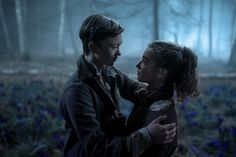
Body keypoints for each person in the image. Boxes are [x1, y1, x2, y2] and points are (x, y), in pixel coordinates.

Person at [59, 15, 177, 157]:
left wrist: (164, 84)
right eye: (114, 46)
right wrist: (147, 136)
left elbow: (135, 89)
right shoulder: (77, 92)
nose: (119, 52)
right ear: (93, 47)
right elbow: (98, 149)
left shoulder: (108, 71)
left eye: (119, 45)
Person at [126, 41, 199, 157]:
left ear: (161, 73)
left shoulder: (159, 118)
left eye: (145, 61)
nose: (138, 65)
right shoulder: (150, 98)